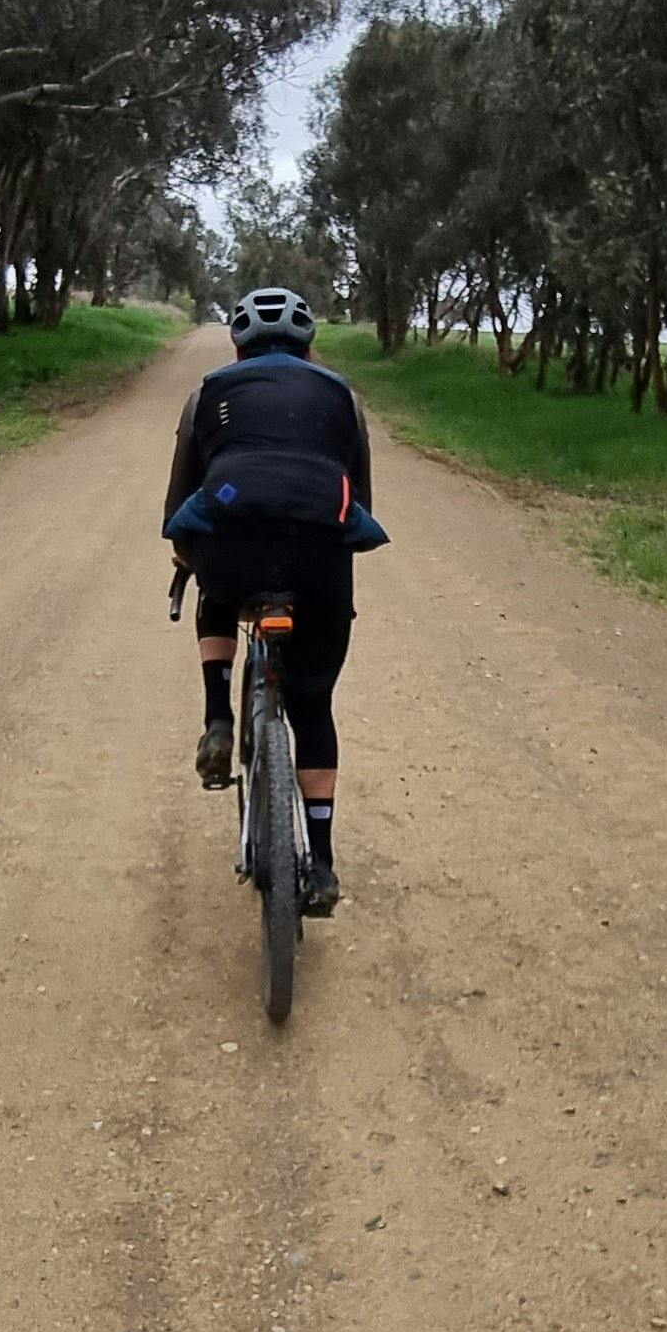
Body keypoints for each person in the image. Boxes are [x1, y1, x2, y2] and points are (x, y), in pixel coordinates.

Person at [163, 286, 381, 915]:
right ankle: (323, 864)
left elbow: (182, 502)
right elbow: (361, 506)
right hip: (318, 566)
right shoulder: (343, 397)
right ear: (311, 349)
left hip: (234, 556)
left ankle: (218, 719)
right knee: (312, 706)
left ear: (237, 345)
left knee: (212, 585)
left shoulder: (207, 393)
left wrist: (184, 556)